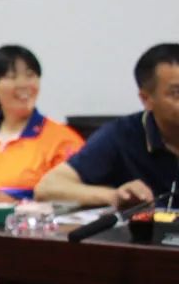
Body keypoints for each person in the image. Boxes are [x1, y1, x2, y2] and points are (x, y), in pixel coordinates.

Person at [36, 43, 179, 208]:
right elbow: (47, 188)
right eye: (176, 93)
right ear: (146, 99)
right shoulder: (122, 135)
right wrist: (115, 196)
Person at [0, 45, 84, 199]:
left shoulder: (63, 140)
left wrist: (18, 201)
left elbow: (74, 198)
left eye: (30, 75)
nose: (24, 84)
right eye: (12, 77)